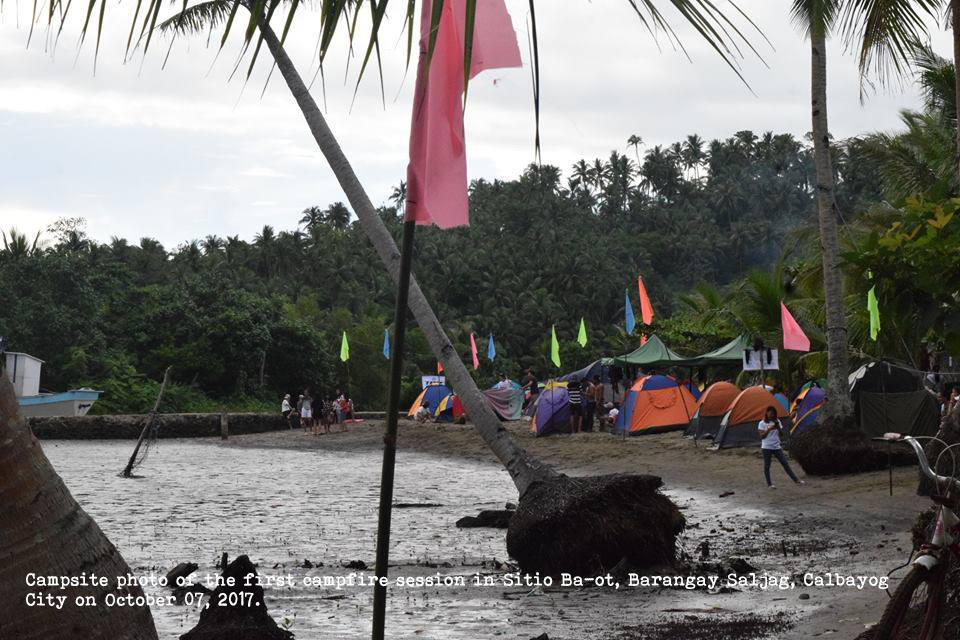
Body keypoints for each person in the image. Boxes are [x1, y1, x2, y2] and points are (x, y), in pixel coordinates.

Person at [758, 406, 803, 489]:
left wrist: (778, 426)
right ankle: (769, 484)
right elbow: (762, 436)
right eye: (770, 413)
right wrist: (770, 429)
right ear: (766, 413)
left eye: (773, 414)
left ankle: (796, 480)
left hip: (776, 446)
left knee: (785, 464)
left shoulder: (777, 421)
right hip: (766, 447)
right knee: (767, 466)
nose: (771, 415)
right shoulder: (762, 423)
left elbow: (782, 435)